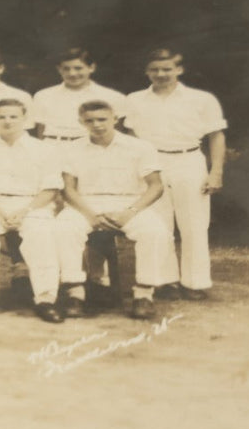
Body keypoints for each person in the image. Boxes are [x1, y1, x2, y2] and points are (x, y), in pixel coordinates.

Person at [123, 47, 227, 300]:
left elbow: (216, 135)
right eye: (155, 69)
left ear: (179, 70)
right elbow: (131, 136)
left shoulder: (202, 99)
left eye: (167, 68)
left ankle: (195, 283)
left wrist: (216, 172)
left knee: (194, 224)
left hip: (188, 160)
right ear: (147, 71)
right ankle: (163, 280)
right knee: (158, 224)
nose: (161, 74)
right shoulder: (135, 99)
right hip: (151, 164)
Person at [54, 100, 174, 320]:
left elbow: (156, 186)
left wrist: (129, 212)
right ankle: (75, 292)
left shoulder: (140, 147)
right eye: (90, 120)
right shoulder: (70, 149)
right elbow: (68, 189)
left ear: (115, 120)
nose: (97, 125)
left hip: (129, 204)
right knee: (63, 229)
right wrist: (90, 215)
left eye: (102, 119)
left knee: (155, 231)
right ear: (81, 122)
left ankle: (144, 294)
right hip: (85, 204)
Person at [0, 99, 65, 323]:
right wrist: (0, 213)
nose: (7, 121)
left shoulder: (45, 149)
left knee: (42, 235)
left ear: (25, 119)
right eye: (1, 117)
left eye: (13, 116)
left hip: (34, 205)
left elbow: (51, 189)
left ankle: (46, 299)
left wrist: (24, 211)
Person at [31, 47, 127, 143]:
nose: (72, 73)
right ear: (59, 69)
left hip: (91, 147)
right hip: (53, 146)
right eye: (66, 69)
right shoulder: (43, 95)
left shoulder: (112, 97)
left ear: (91, 68)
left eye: (78, 68)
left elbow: (117, 131)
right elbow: (40, 129)